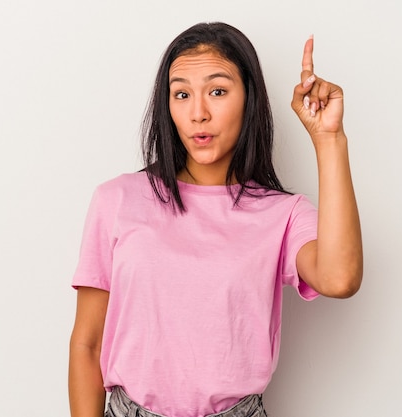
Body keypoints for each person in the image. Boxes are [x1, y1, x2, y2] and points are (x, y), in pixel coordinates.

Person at [69, 22, 362, 417]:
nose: (198, 113)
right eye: (182, 94)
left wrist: (329, 140)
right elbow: (87, 344)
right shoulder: (118, 200)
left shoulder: (283, 214)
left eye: (218, 91)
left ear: (249, 99)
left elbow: (340, 278)